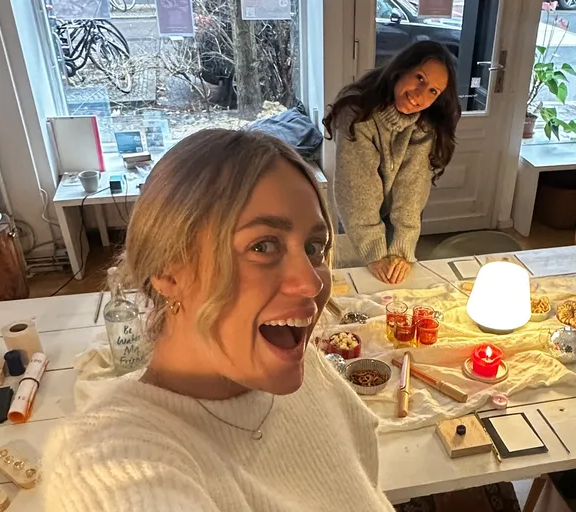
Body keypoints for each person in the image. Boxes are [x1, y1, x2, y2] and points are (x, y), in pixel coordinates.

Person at [43, 130, 395, 512]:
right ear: (168, 271)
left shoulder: (311, 368)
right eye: (262, 246)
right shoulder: (108, 456)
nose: (312, 283)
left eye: (313, 247)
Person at [324, 41, 460, 284]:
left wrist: (401, 251)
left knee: (397, 284)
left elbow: (412, 190)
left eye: (433, 91)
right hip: (357, 217)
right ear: (401, 69)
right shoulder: (357, 114)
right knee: (358, 283)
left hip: (397, 215)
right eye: (420, 78)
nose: (420, 95)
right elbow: (358, 191)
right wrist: (374, 253)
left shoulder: (425, 124)